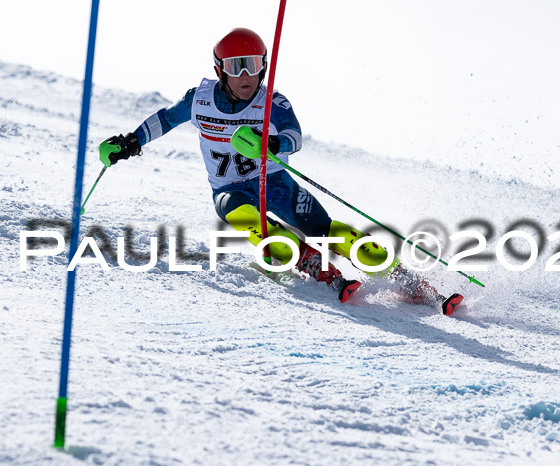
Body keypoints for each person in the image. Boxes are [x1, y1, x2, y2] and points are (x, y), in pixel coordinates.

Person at [99, 28, 462, 313]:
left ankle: (406, 280)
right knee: (246, 218)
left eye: (254, 64)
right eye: (237, 65)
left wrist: (272, 144)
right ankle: (312, 264)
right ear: (219, 70)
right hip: (231, 189)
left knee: (330, 230)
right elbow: (165, 119)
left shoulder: (272, 100)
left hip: (274, 182)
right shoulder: (200, 98)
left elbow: (294, 136)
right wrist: (131, 142)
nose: (247, 75)